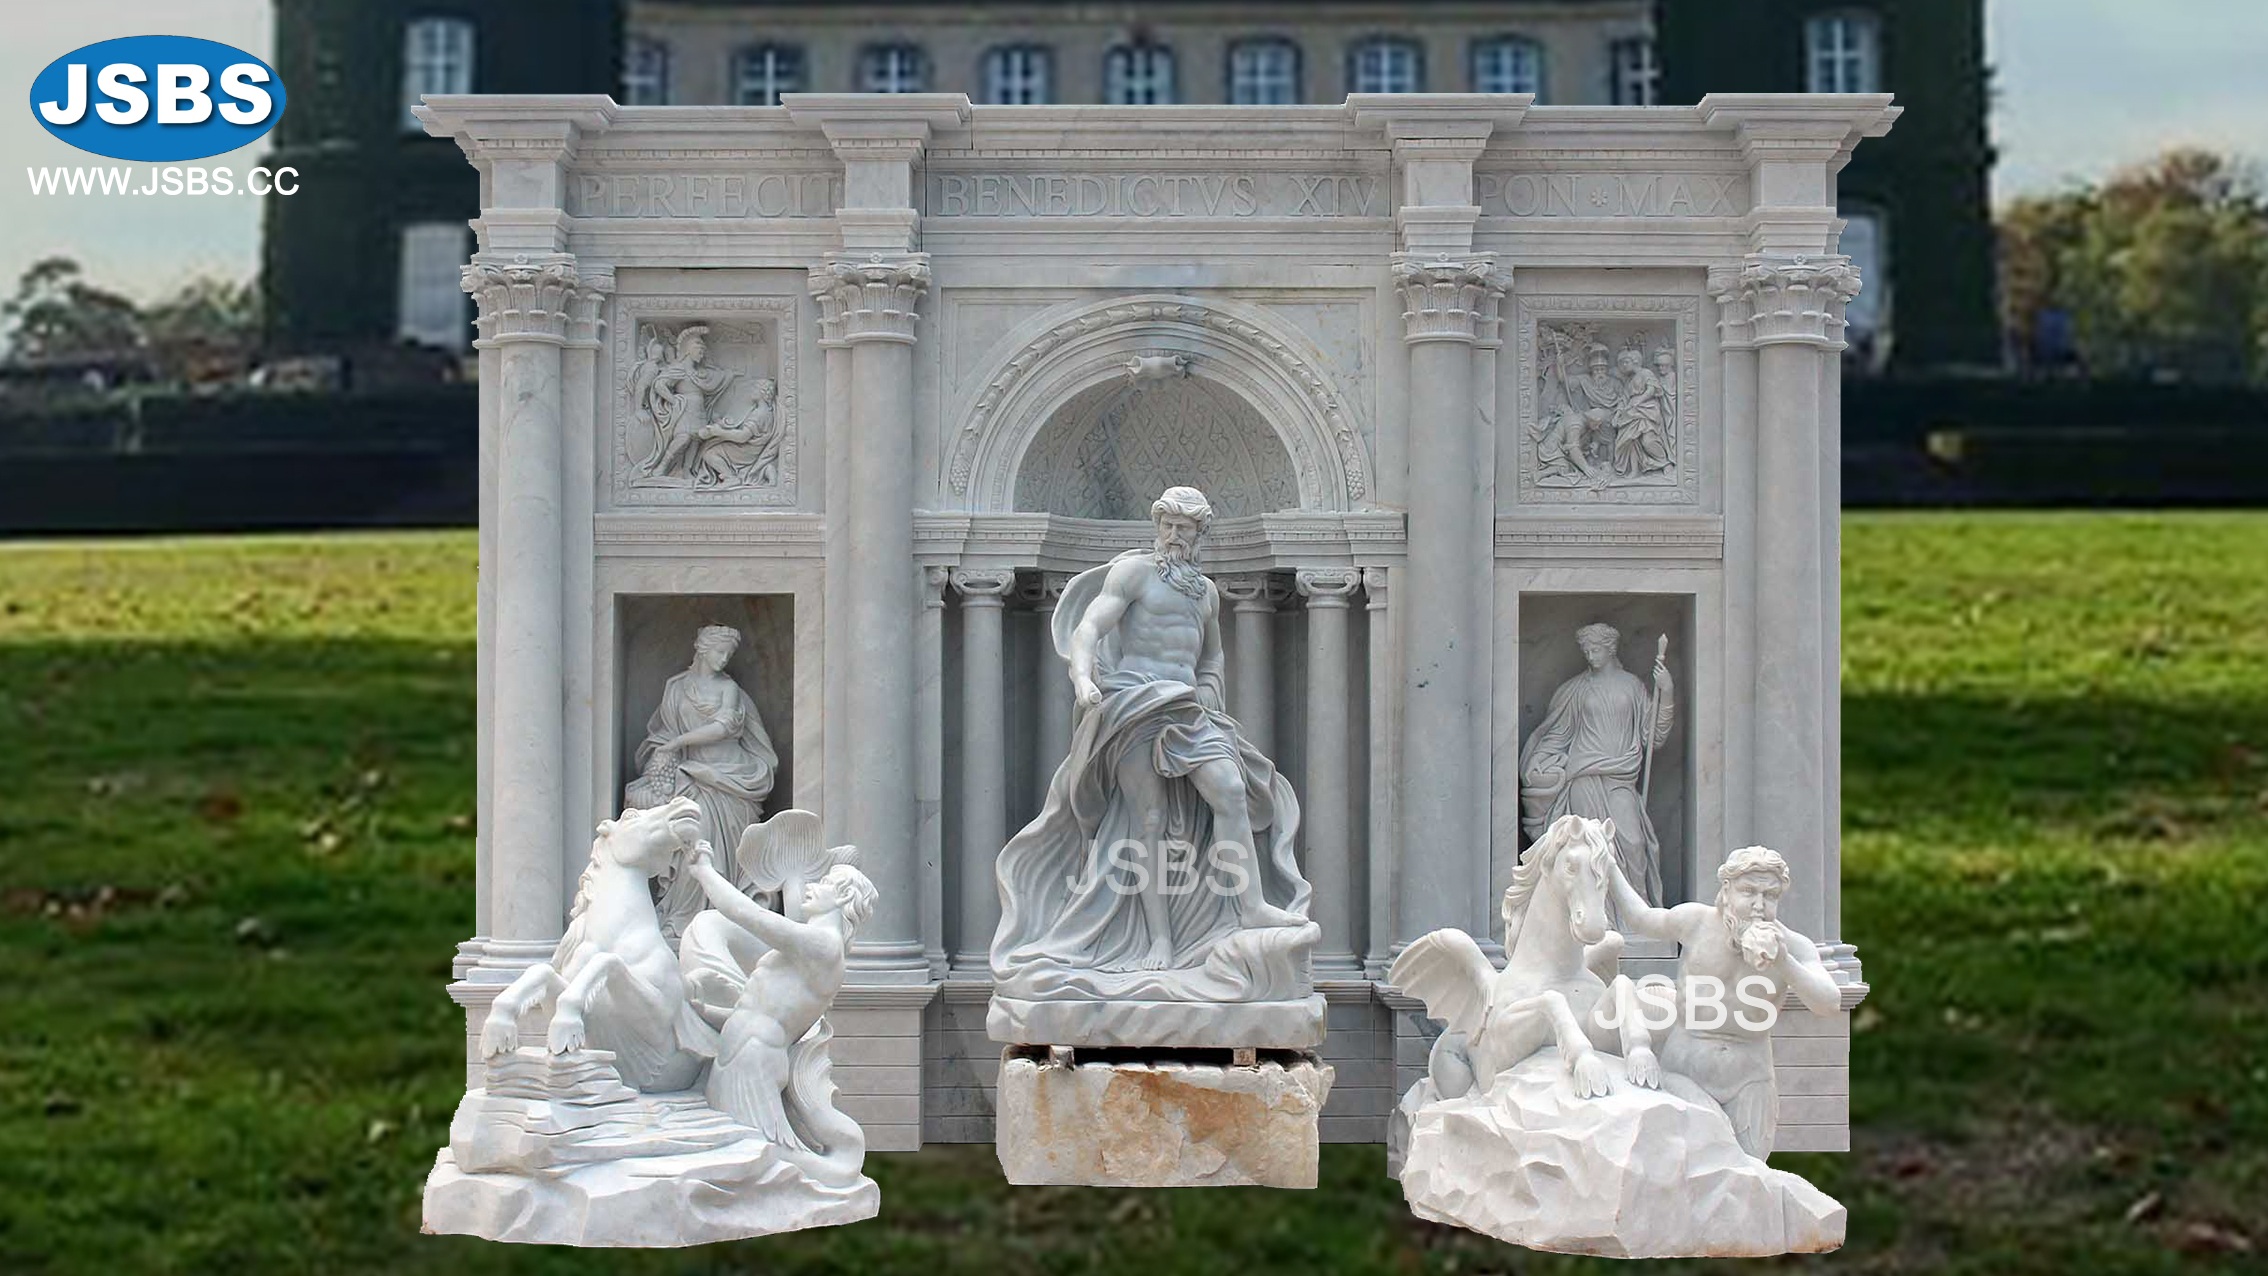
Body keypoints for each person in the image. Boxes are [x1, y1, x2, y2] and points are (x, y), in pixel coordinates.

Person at [991, 486, 1309, 992]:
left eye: (1184, 528)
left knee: (1229, 789)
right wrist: (1082, 678)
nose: (1174, 536)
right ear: (1157, 526)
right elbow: (1090, 627)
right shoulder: (1133, 572)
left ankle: (1251, 908)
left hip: (1187, 709)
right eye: (1167, 526)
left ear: (1200, 534)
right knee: (1150, 821)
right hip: (1134, 701)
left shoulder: (1204, 592)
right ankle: (1158, 939)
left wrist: (1209, 691)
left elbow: (1211, 658)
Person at [1606, 846, 1843, 1157]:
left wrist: (1783, 960)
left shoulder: (1795, 947)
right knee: (1680, 1172)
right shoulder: (1696, 922)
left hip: (1749, 1082)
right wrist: (1608, 864)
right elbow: (1641, 918)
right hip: (1683, 1070)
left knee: (1748, 1181)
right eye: (1749, 892)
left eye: (1769, 896)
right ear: (1727, 890)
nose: (1759, 905)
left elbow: (1828, 1002)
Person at [630, 624, 779, 940]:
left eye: (729, 654)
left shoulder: (729, 689)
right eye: (719, 652)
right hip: (690, 774)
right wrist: (664, 754)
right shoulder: (676, 688)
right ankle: (682, 916)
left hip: (731, 776)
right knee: (690, 843)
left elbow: (723, 727)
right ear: (701, 648)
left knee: (724, 850)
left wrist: (677, 742)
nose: (724, 659)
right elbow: (663, 734)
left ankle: (726, 918)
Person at [1518, 622, 1673, 908]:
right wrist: (1542, 763)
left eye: (1596, 649)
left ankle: (1635, 916)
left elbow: (1654, 736)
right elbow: (1557, 733)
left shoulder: (1633, 686)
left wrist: (1667, 693)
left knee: (1633, 843)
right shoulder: (1575, 689)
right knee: (1587, 851)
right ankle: (1589, 916)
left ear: (1611, 649)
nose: (1590, 655)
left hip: (1621, 779)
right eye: (1586, 650)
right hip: (1583, 777)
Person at [1610, 346, 1675, 479]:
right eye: (1622, 363)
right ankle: (1634, 470)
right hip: (1631, 413)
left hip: (1647, 411)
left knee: (1648, 441)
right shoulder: (1629, 380)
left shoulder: (1646, 373)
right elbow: (1624, 399)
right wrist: (1617, 414)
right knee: (1630, 441)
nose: (1624, 365)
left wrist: (1639, 400)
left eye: (1626, 362)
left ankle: (1665, 463)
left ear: (1635, 361)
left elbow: (1652, 389)